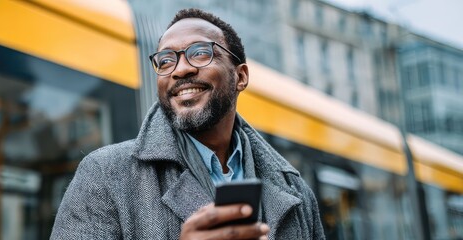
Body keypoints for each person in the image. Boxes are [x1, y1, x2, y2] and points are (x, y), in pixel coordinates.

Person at [51, 8, 325, 240]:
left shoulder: (297, 192)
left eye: (200, 53)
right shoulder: (103, 175)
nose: (180, 69)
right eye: (166, 60)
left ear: (240, 77)